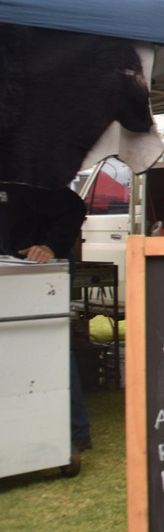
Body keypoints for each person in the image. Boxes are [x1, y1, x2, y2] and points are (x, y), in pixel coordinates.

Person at [0, 181, 93, 454]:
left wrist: (51, 246)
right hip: (12, 268)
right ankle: (27, 426)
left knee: (52, 345)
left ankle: (76, 432)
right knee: (16, 346)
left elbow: (75, 208)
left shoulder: (25, 178)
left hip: (45, 268)